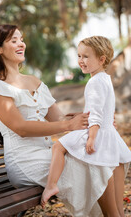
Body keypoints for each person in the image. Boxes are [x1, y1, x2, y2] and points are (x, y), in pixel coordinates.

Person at [0, 25, 126, 217]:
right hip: (25, 161)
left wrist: (96, 120)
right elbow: (21, 128)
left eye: (21, 39)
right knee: (93, 161)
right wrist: (68, 125)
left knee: (104, 152)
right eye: (13, 41)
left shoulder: (34, 81)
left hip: (48, 154)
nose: (20, 44)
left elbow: (59, 119)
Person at [41, 36, 131, 217]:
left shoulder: (94, 82)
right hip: (109, 132)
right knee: (118, 210)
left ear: (101, 59)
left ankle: (51, 186)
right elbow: (102, 109)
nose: (81, 61)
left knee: (58, 146)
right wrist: (81, 115)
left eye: (86, 57)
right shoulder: (105, 78)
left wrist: (91, 137)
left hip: (97, 132)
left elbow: (96, 114)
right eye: (79, 56)